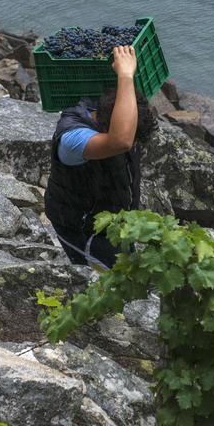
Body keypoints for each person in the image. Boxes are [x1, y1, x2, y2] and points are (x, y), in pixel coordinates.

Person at [44, 45, 156, 268]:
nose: (132, 146)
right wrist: (125, 74)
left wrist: (126, 69)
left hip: (113, 221)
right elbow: (121, 140)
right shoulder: (73, 138)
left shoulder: (107, 107)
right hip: (81, 229)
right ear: (105, 128)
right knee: (112, 284)